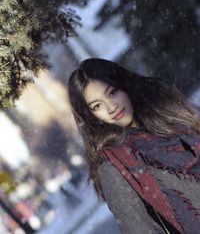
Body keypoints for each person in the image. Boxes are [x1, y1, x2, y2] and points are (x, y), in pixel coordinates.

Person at [68, 58, 200, 234]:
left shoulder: (170, 114)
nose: (111, 107)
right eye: (97, 105)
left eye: (112, 92)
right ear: (91, 116)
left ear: (123, 84)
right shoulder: (114, 166)